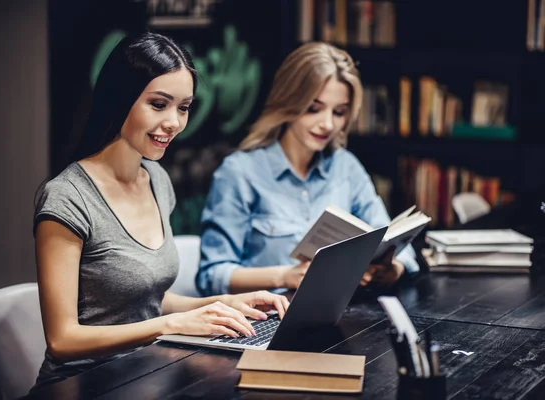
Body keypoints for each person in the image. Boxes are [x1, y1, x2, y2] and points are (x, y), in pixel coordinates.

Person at [31, 32, 289, 390]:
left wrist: (224, 303)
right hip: (81, 384)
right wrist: (171, 326)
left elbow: (143, 301)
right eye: (158, 104)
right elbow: (62, 340)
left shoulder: (156, 179)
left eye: (183, 107)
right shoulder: (66, 198)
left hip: (144, 373)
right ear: (119, 99)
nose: (174, 123)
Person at [196, 42, 419, 297]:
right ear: (288, 102)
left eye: (339, 112)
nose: (326, 124)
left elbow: (392, 240)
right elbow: (212, 275)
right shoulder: (240, 173)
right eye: (314, 109)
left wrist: (394, 270)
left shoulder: (346, 167)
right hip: (263, 319)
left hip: (341, 312)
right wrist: (285, 276)